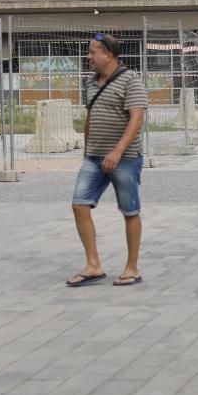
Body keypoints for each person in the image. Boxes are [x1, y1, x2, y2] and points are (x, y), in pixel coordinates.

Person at [66, 34, 148, 287]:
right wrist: (86, 148)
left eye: (92, 52)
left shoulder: (130, 80)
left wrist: (117, 152)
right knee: (79, 204)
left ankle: (131, 268)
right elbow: (92, 114)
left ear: (108, 55)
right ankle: (93, 266)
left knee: (130, 211)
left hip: (125, 158)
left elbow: (137, 118)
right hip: (93, 157)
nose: (88, 57)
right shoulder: (91, 82)